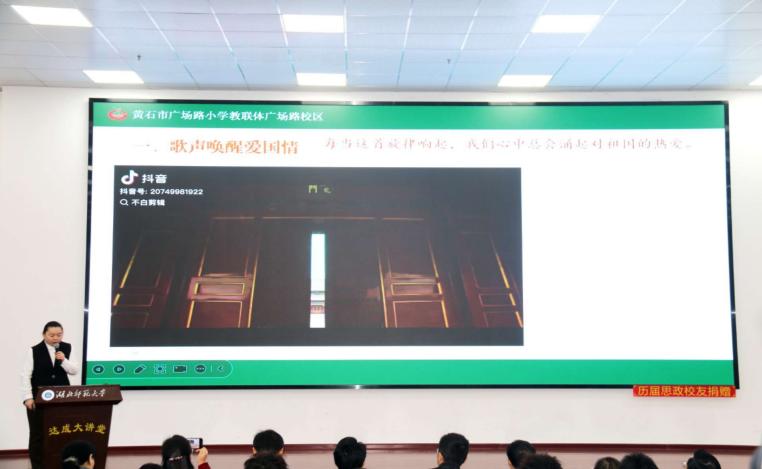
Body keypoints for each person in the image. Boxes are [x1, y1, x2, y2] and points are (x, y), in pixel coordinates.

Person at [21, 321, 79, 469]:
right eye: (51, 335)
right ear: (44, 334)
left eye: (59, 335)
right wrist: (28, 397)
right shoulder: (33, 350)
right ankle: (37, 466)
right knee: (37, 434)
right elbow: (25, 375)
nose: (55, 338)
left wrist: (63, 360)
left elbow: (74, 370)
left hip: (61, 399)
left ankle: (60, 464)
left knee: (62, 432)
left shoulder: (67, 347)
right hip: (38, 400)